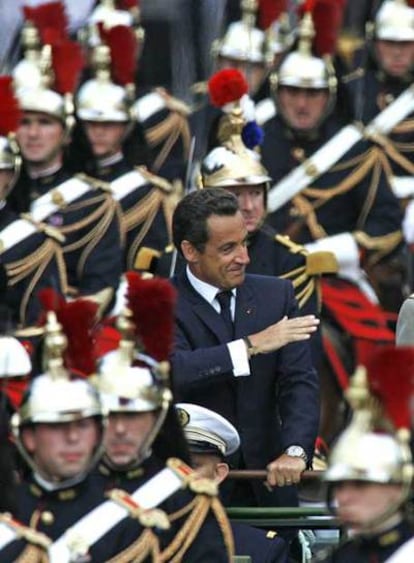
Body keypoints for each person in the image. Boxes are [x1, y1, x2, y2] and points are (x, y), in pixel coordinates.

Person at [170, 187, 320, 515]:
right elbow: (175, 369)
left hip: (269, 483)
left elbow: (299, 383)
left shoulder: (276, 294)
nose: (244, 258)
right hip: (192, 489)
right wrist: (249, 347)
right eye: (228, 249)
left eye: (244, 243)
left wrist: (295, 451)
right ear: (191, 251)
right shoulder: (160, 301)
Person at [261, 0, 406, 315]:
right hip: (259, 276)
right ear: (276, 92)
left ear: (329, 96)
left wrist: (341, 250)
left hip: (334, 278)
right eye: (292, 92)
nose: (302, 104)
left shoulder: (356, 150)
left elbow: (386, 223)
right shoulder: (253, 145)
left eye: (312, 94)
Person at [91, 272, 233, 561]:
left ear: (157, 419)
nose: (120, 430)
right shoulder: (62, 491)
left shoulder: (186, 502)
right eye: (110, 417)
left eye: (133, 417)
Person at [9, 20, 122, 318]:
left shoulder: (92, 203)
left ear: (67, 132)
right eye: (25, 122)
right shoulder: (6, 196)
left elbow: (99, 287)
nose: (33, 134)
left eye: (44, 123)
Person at [74, 38, 174, 273]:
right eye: (91, 123)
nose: (98, 131)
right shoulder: (69, 182)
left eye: (109, 124)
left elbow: (151, 263)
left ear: (127, 127)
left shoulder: (145, 193)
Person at [317, 346, 414, 562]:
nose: (343, 497)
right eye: (339, 485)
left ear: (398, 489)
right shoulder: (336, 557)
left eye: (360, 485)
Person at [176, 401, 289, 563]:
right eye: (171, 464)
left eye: (193, 465)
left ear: (218, 474)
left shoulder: (259, 549)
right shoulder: (132, 536)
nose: (180, 474)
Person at [0, 75, 66, 331]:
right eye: (26, 123)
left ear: (11, 175)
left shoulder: (34, 243)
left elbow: (38, 324)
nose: (34, 133)